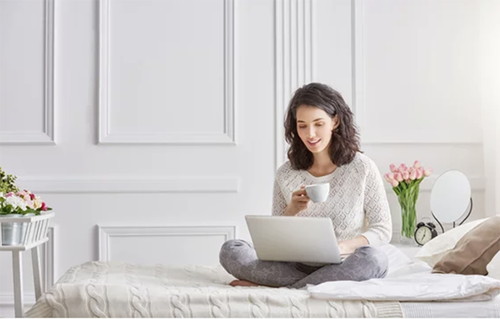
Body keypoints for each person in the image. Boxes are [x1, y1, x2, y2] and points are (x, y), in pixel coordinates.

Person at [219, 83, 392, 289]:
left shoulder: (362, 168)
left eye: (318, 124)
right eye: (302, 125)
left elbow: (382, 229)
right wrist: (291, 210)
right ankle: (308, 285)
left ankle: (284, 288)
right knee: (231, 249)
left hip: (343, 264)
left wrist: (343, 247)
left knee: (374, 260)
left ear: (335, 121)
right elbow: (275, 239)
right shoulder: (286, 173)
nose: (310, 134)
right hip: (294, 266)